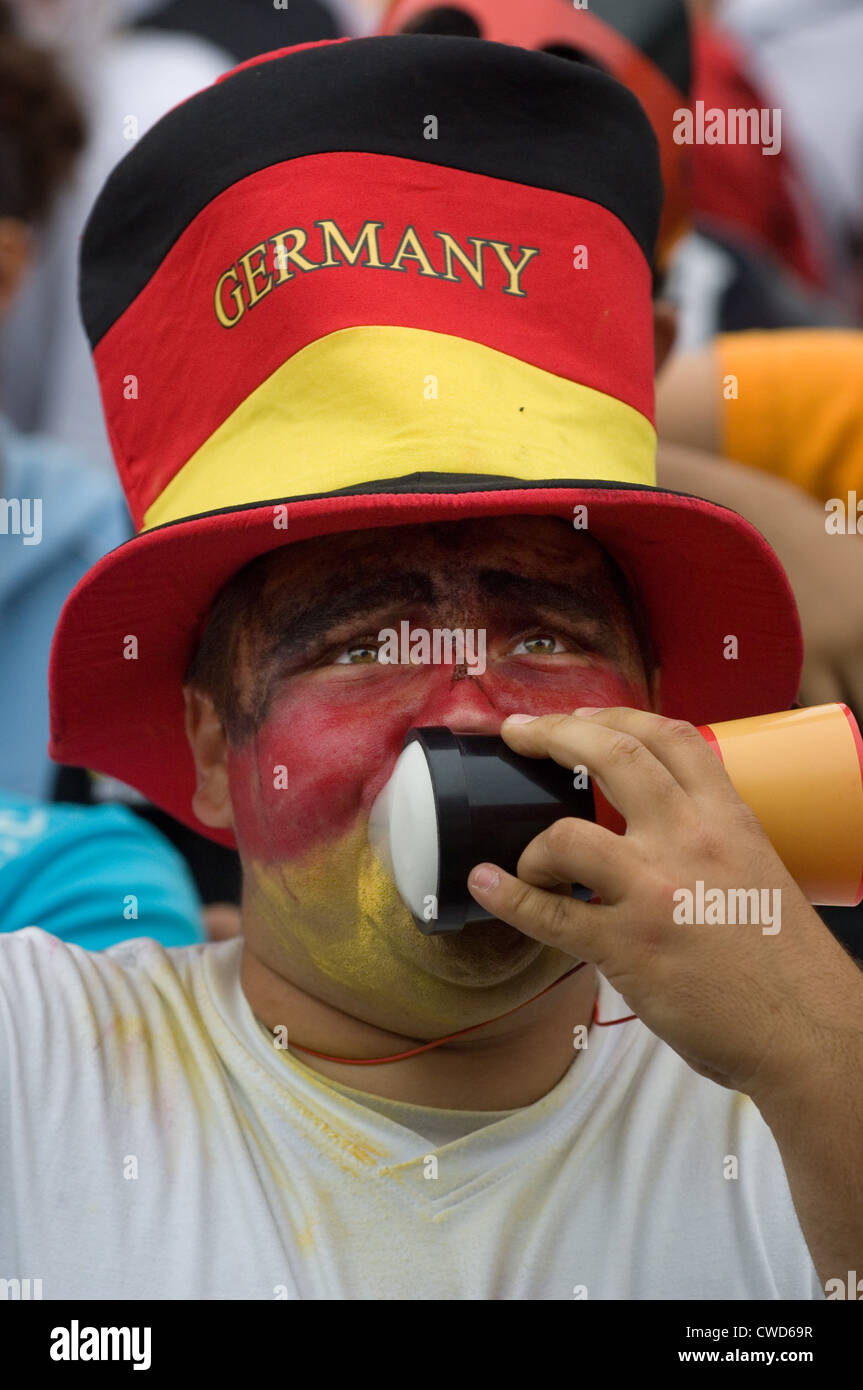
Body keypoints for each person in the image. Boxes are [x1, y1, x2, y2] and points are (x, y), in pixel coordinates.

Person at [3, 35, 861, 1299]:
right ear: (207, 752)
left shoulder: (794, 1095)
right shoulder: (39, 1064)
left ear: (658, 707)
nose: (469, 709)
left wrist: (816, 1052)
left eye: (542, 635)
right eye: (358, 644)